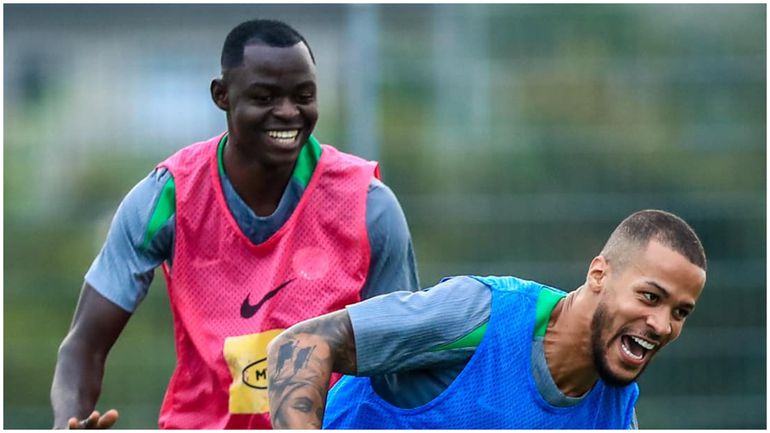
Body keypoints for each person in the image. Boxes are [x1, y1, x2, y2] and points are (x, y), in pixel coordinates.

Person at [50, 19, 419, 429]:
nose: (288, 112)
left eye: (303, 96)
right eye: (264, 97)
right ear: (222, 96)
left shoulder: (367, 205)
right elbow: (83, 348)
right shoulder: (167, 198)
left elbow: (403, 356)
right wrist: (68, 422)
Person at [267, 209, 707, 429]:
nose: (661, 325)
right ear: (598, 275)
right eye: (650, 297)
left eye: (680, 312)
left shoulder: (615, 414)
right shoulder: (481, 313)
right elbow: (301, 345)